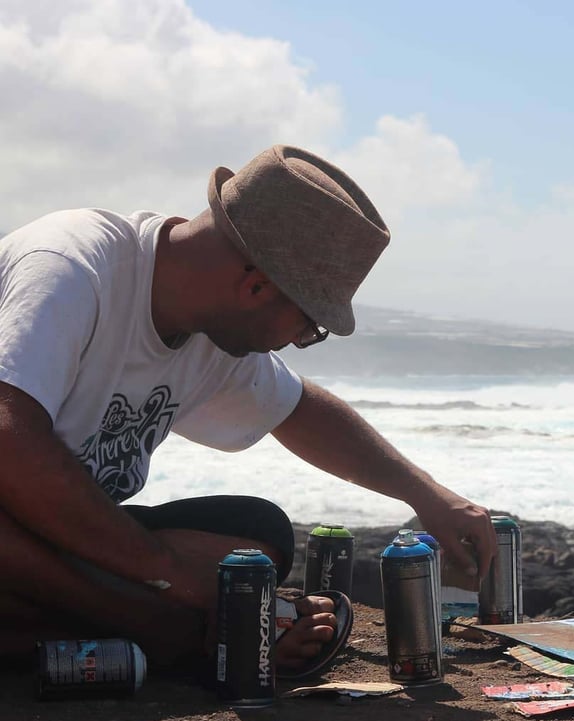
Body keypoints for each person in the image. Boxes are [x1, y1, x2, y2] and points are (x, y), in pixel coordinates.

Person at [0, 145, 495, 677]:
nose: (298, 342)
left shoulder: (208, 324)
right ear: (257, 286)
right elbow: (9, 438)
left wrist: (426, 493)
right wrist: (169, 578)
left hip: (52, 548)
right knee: (183, 593)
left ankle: (92, 626)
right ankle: (164, 634)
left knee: (256, 536)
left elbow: (300, 409)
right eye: (311, 329)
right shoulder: (72, 266)